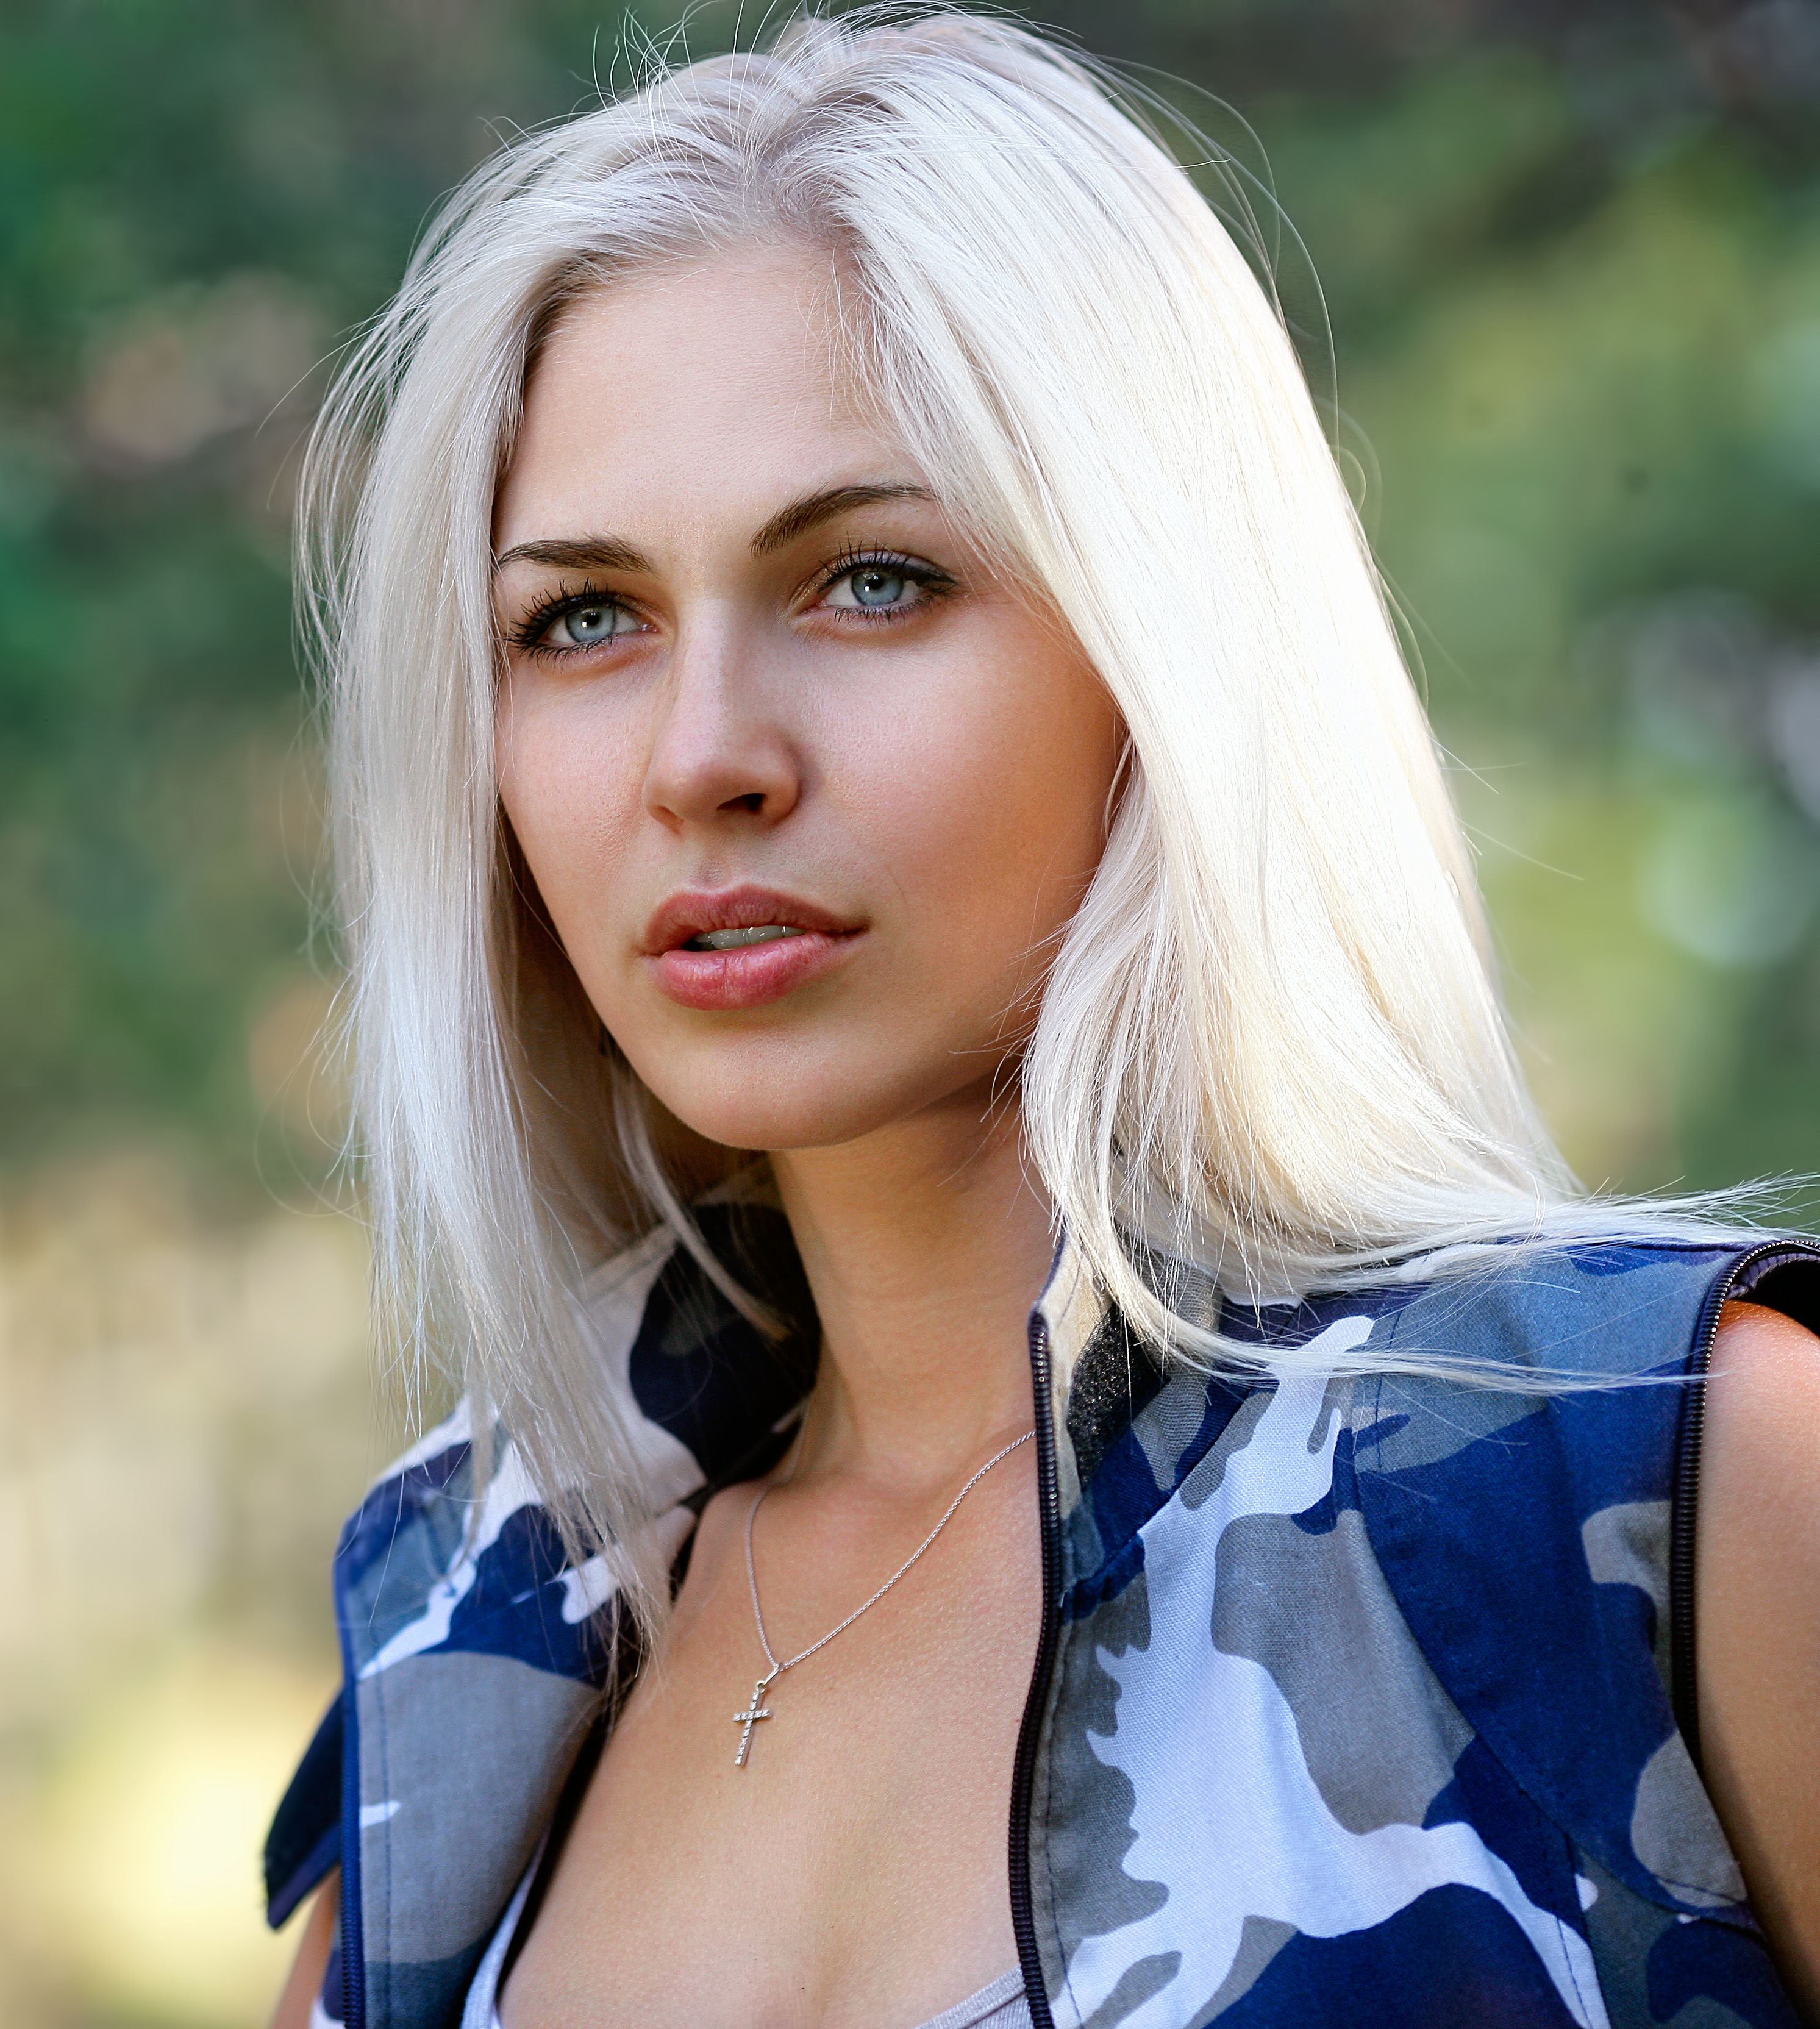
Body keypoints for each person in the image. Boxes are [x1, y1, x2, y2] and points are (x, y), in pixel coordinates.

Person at [255, 10, 1820, 2029]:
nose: (703, 755)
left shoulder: (1651, 1478)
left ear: (1162, 647)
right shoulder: (476, 1638)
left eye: (874, 580)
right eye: (583, 620)